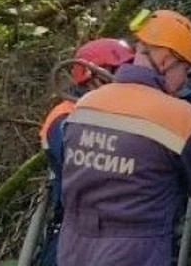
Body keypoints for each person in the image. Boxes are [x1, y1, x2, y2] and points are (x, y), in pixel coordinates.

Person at [57, 9, 191, 266]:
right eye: (185, 68)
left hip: (72, 246)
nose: (184, 80)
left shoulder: (85, 105)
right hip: (134, 249)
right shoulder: (179, 117)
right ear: (166, 60)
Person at [37, 38, 135, 266]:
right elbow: (86, 167)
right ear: (91, 77)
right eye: (117, 71)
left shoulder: (113, 111)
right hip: (77, 233)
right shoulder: (64, 117)